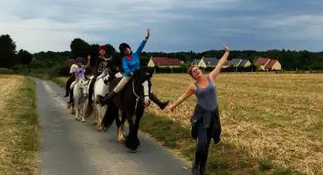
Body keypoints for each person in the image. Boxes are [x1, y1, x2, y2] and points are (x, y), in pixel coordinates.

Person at [169, 45, 230, 175]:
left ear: (200, 70)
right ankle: (196, 163)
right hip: (202, 116)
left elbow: (219, 64)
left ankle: (202, 168)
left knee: (207, 144)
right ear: (193, 76)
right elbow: (182, 97)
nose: (196, 71)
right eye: (193, 72)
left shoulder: (211, 77)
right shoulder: (193, 87)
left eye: (197, 69)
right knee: (202, 142)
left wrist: (227, 52)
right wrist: (173, 106)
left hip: (213, 114)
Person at [99, 28, 169, 110]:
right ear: (123, 52)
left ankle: (160, 104)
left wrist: (146, 38)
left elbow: (141, 46)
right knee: (119, 86)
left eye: (126, 48)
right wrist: (130, 72)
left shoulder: (136, 54)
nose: (126, 50)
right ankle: (105, 100)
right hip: (129, 75)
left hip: (139, 74)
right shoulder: (124, 59)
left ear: (129, 48)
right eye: (124, 50)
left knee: (146, 87)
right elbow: (125, 67)